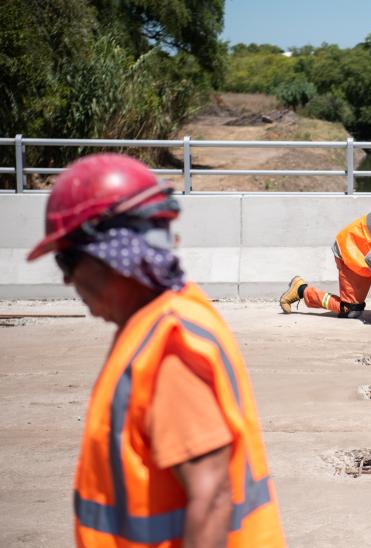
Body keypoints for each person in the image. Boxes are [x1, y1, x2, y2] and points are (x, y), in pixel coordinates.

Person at [26, 153, 286, 547]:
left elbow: (212, 497)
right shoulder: (154, 320)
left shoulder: (168, 345)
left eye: (66, 259)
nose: (66, 281)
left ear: (110, 255)